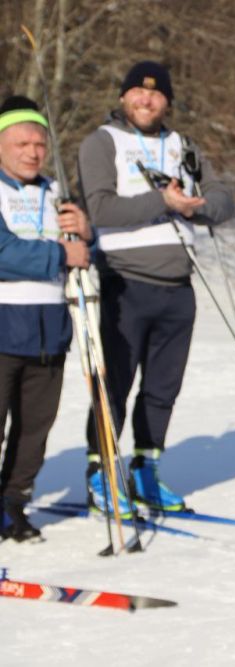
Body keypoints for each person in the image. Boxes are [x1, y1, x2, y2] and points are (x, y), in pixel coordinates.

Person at [77, 61, 234, 515]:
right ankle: (102, 472)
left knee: (163, 388)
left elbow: (224, 198)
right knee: (117, 385)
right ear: (124, 97)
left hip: (178, 286)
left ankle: (146, 469)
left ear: (168, 101)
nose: (147, 100)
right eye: (138, 93)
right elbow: (101, 208)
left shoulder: (181, 144)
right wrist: (162, 201)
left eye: (156, 94)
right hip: (124, 283)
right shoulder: (102, 142)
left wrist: (198, 206)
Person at [0, 95, 92, 541]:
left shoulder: (55, 192)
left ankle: (13, 503)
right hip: (3, 325)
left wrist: (84, 233)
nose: (33, 151)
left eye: (39, 143)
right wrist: (61, 252)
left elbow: (82, 252)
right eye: (21, 142)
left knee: (35, 428)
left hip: (49, 330)